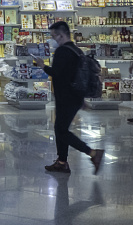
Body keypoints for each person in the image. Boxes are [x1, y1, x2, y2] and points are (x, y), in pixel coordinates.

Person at [42, 20, 104, 174]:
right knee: (60, 129)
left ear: (61, 35)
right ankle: (62, 162)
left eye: (54, 36)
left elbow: (57, 74)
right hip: (74, 98)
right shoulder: (77, 51)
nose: (53, 40)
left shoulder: (62, 52)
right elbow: (77, 77)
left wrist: (42, 66)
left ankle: (93, 153)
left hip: (66, 98)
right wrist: (81, 99)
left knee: (61, 131)